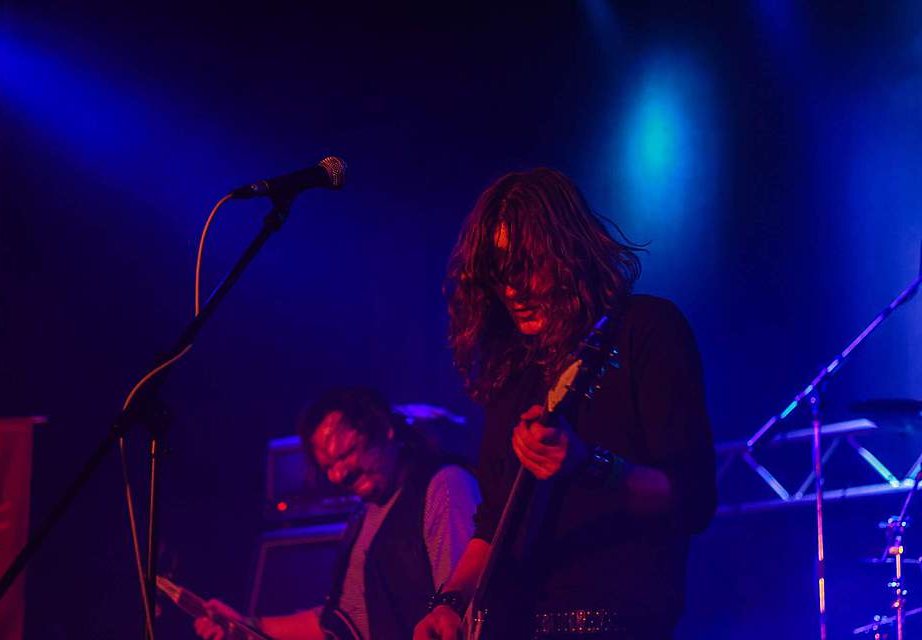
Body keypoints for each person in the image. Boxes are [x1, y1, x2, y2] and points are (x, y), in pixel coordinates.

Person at [413, 168, 717, 639]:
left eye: (525, 264)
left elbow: (692, 498)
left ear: (568, 250)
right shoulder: (513, 371)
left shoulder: (647, 328)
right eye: (498, 273)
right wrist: (449, 603)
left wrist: (586, 464)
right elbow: (493, 524)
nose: (512, 289)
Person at [194, 387, 481, 640]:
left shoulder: (443, 485)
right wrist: (247, 626)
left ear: (384, 429)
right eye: (328, 466)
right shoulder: (364, 517)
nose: (339, 475)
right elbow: (343, 624)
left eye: (347, 453)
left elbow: (460, 603)